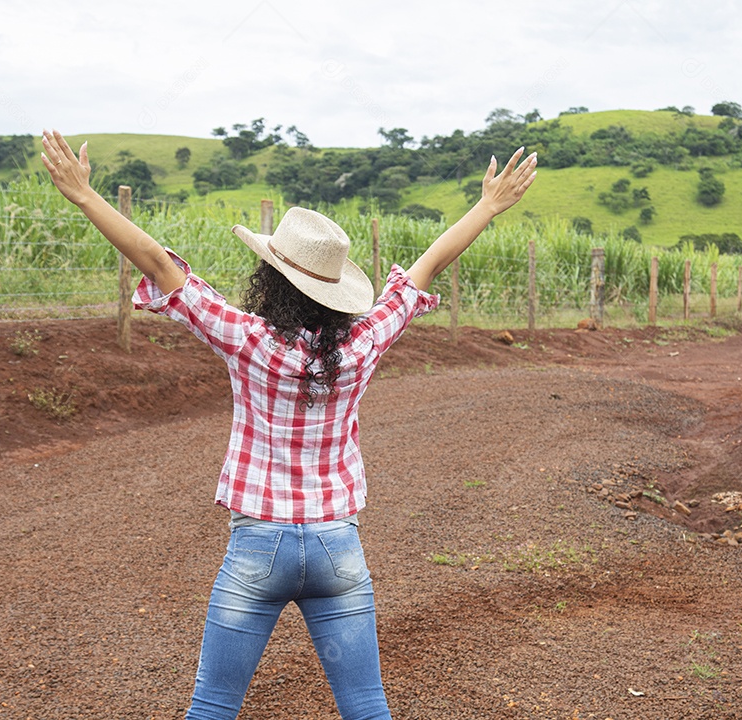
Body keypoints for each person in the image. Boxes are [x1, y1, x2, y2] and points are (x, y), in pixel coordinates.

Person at [41, 129, 536, 720]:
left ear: (272, 280)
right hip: (338, 545)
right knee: (366, 706)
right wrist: (488, 204)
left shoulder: (248, 340)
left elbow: (154, 260)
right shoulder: (363, 342)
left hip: (258, 546)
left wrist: (85, 197)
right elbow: (427, 266)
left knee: (214, 707)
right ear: (337, 291)